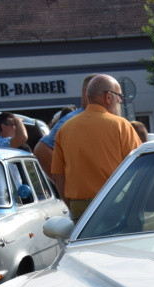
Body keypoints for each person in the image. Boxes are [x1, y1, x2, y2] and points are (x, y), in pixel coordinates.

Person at [51, 74, 141, 219]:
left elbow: (57, 176)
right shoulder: (121, 125)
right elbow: (139, 169)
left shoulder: (65, 129)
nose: (120, 101)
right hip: (116, 204)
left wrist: (72, 206)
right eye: (119, 96)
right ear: (108, 97)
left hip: (79, 207)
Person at [36, 75, 98, 175]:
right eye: (113, 93)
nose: (118, 100)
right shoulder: (73, 119)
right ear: (87, 92)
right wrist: (64, 180)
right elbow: (42, 150)